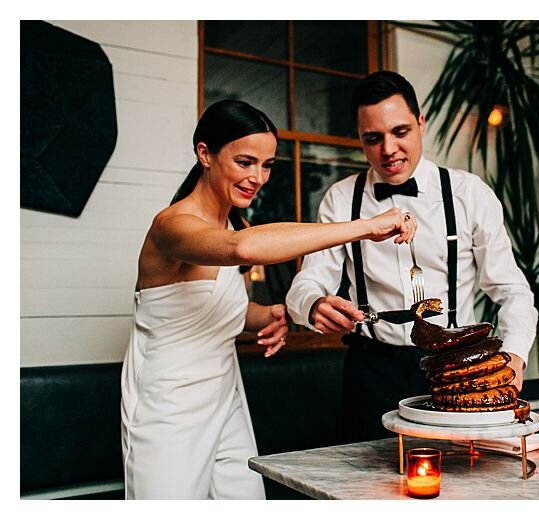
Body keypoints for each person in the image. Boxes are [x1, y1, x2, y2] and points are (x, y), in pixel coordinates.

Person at [123, 100, 416, 499]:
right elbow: (242, 249)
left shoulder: (231, 222)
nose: (257, 177)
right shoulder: (172, 226)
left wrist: (269, 315)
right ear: (205, 154)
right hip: (167, 400)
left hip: (225, 392)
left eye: (266, 165)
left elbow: (214, 307)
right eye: (245, 162)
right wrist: (365, 227)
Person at [286, 71, 538, 443]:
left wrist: (514, 356)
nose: (388, 150)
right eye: (373, 138)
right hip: (371, 369)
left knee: (457, 483)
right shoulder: (341, 199)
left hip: (456, 369)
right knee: (369, 488)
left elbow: (512, 290)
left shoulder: (469, 194)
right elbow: (307, 283)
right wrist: (312, 304)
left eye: (400, 132)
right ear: (359, 138)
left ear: (421, 123)